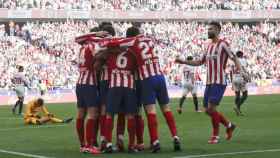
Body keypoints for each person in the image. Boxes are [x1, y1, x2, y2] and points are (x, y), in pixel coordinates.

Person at [107, 26, 181, 153]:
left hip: (147, 79)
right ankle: (175, 136)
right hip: (160, 76)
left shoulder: (132, 41)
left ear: (130, 36)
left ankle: (155, 141)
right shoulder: (149, 39)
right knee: (166, 109)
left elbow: (113, 43)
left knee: (150, 111)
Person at [175, 21, 245, 144]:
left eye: (211, 29)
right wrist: (183, 61)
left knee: (211, 109)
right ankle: (229, 125)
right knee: (207, 110)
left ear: (218, 30)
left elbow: (234, 58)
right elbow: (199, 62)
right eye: (208, 29)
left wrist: (242, 71)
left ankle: (215, 136)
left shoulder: (223, 44)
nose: (208, 31)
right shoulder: (207, 46)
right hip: (209, 82)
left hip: (219, 81)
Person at [74, 28, 108, 154]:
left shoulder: (82, 48)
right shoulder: (94, 46)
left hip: (80, 83)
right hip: (90, 83)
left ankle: (83, 145)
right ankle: (89, 145)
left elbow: (78, 39)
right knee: (93, 114)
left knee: (80, 114)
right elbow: (97, 63)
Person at [230, 51, 249, 116]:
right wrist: (247, 77)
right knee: (245, 94)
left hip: (234, 78)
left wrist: (231, 81)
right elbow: (243, 69)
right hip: (241, 78)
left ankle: (238, 110)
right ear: (241, 55)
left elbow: (230, 71)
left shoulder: (232, 61)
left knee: (237, 95)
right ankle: (237, 106)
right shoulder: (243, 60)